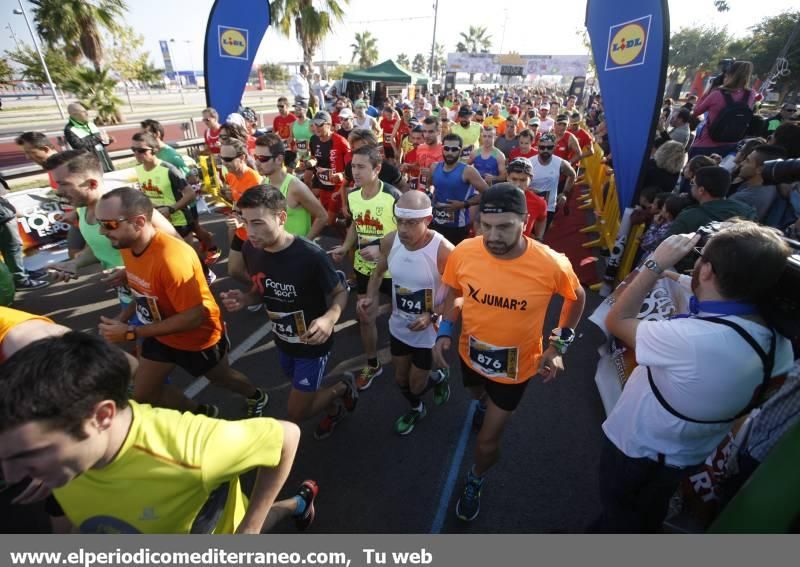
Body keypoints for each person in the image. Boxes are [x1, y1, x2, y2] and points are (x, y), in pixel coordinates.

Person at [0, 331, 318, 533]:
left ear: (101, 417)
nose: (14, 477)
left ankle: (297, 503)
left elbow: (287, 435)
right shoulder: (58, 464)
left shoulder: (192, 448)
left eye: (29, 454)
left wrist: (250, 528)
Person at [598, 222, 793, 532]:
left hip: (639, 450)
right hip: (686, 453)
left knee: (618, 512)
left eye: (700, 258)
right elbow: (722, 296)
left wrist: (654, 264)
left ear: (707, 271)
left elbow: (617, 320)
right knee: (642, 514)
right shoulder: (779, 343)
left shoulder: (692, 340)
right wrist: (673, 275)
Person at [432, 183, 586, 522]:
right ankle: (484, 403)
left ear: (526, 221)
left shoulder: (550, 263)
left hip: (515, 368)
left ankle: (476, 477)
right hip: (469, 353)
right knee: (475, 395)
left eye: (504, 227)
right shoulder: (465, 252)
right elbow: (455, 289)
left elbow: (577, 297)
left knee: (487, 441)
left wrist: (558, 345)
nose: (492, 236)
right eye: (485, 226)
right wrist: (445, 329)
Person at [95, 187, 267, 418]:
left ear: (138, 222)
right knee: (143, 394)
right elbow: (145, 292)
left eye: (109, 224)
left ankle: (256, 395)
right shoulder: (128, 245)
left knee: (222, 378)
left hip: (197, 338)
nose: (102, 230)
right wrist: (123, 317)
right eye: (100, 223)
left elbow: (195, 316)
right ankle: (201, 412)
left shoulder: (171, 258)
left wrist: (131, 332)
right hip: (160, 334)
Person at [220, 185, 356, 439]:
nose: (250, 232)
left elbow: (340, 292)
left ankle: (342, 387)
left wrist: (329, 318)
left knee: (296, 411)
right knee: (305, 392)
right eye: (246, 222)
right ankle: (335, 408)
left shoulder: (310, 255)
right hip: (283, 342)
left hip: (312, 345)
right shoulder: (251, 249)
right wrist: (246, 297)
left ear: (281, 218)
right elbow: (262, 287)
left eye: (258, 223)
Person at [358, 191, 454, 435]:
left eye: (411, 223)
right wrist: (369, 299)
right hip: (399, 326)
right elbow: (377, 273)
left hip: (429, 332)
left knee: (416, 382)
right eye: (399, 220)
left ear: (428, 220)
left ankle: (437, 378)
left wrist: (432, 316)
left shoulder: (444, 251)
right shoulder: (391, 241)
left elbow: (460, 296)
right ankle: (417, 407)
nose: (402, 228)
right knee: (401, 380)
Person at [45, 150, 179, 312]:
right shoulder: (82, 208)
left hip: (162, 297)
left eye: (64, 184)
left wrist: (132, 272)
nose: (58, 191)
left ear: (92, 184)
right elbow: (98, 247)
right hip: (130, 299)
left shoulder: (127, 206)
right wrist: (75, 263)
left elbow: (177, 246)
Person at [329, 145, 401, 391]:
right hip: (364, 267)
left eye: (361, 167)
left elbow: (407, 232)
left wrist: (381, 246)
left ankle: (409, 359)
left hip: (394, 269)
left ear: (377, 169)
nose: (355, 171)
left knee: (402, 318)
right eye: (353, 166)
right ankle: (373, 363)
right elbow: (355, 226)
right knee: (365, 316)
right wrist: (345, 246)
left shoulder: (392, 196)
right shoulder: (352, 196)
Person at [140, 119, 220, 265]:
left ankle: (212, 250)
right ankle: (207, 253)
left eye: (145, 132)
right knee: (191, 234)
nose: (142, 136)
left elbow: (189, 177)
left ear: (157, 134)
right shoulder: (151, 157)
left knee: (194, 231)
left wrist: (184, 194)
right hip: (170, 205)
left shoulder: (169, 155)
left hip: (184, 205)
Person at [254, 134, 327, 239]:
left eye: (262, 158)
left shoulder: (295, 187)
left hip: (297, 253)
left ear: (279, 159)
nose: (257, 163)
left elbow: (323, 216)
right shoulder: (264, 182)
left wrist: (305, 243)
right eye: (255, 157)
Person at [430, 133, 490, 245]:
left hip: (457, 228)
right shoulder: (434, 167)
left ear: (460, 151)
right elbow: (433, 189)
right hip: (436, 223)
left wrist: (464, 204)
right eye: (446, 148)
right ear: (442, 148)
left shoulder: (468, 171)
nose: (450, 153)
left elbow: (489, 193)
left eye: (454, 149)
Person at [690, 61, 756, 158]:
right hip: (730, 146)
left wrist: (708, 90)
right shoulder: (750, 94)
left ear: (729, 76)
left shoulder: (717, 94)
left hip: (705, 144)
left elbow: (696, 112)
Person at [667, 166, 757, 237]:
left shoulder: (688, 217)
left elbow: (667, 246)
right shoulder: (747, 212)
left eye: (693, 183)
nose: (691, 186)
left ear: (701, 190)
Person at [309, 111, 351, 225]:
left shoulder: (341, 141)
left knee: (327, 221)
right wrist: (309, 163)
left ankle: (346, 233)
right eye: (314, 124)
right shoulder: (313, 139)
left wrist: (341, 175)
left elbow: (351, 166)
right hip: (323, 185)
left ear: (329, 125)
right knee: (323, 220)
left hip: (338, 188)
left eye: (320, 124)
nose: (316, 127)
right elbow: (314, 158)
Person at [729, 144, 787, 223]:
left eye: (747, 161)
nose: (742, 163)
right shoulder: (772, 186)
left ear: (760, 169)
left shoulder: (744, 198)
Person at [529, 133, 576, 228]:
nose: (545, 150)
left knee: (541, 236)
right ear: (537, 147)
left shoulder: (560, 163)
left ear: (554, 148)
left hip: (549, 207)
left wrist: (564, 193)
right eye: (542, 147)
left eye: (549, 147)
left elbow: (572, 175)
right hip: (530, 204)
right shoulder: (529, 163)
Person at [63, 102, 114, 172]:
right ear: (74, 114)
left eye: (86, 111)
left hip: (105, 161)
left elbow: (99, 143)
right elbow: (78, 146)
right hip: (91, 165)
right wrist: (97, 139)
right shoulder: (70, 129)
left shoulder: (91, 124)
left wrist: (108, 141)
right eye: (83, 112)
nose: (87, 114)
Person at [506, 157, 547, 241]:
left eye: (523, 180)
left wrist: (539, 237)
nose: (518, 184)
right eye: (514, 179)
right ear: (507, 177)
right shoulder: (494, 197)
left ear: (531, 179)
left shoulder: (539, 202)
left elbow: (542, 219)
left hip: (522, 249)